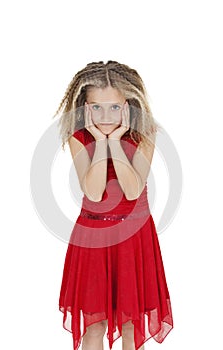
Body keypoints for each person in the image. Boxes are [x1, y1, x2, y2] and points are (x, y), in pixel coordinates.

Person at [55, 61, 173, 350]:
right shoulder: (79, 137)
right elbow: (94, 193)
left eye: (114, 107)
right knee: (94, 327)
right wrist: (99, 140)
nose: (105, 115)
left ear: (129, 105)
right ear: (84, 106)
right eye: (96, 107)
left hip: (135, 238)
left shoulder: (145, 134)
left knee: (133, 326)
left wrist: (116, 141)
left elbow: (132, 189)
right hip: (93, 236)